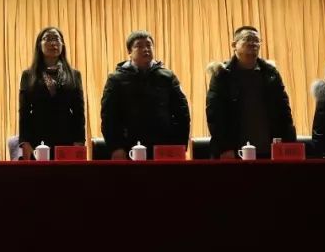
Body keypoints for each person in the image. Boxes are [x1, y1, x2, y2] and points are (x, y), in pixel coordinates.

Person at [206, 25, 296, 159]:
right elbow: (215, 115)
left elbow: (284, 111)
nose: (253, 43)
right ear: (234, 45)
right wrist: (224, 147)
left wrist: (288, 143)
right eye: (248, 39)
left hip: (269, 149)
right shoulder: (222, 75)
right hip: (235, 151)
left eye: (256, 40)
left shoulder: (270, 74)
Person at [100, 30, 190, 159]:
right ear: (129, 52)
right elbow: (108, 117)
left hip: (163, 147)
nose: (146, 49)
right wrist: (115, 147)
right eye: (139, 46)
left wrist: (180, 145)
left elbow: (182, 114)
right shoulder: (116, 79)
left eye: (149, 45)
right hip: (129, 147)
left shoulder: (167, 77)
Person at [18, 26, 85, 159]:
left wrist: (79, 141)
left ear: (62, 45)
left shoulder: (74, 75)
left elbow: (79, 112)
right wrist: (24, 141)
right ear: (39, 45)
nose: (53, 43)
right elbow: (24, 111)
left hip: (66, 138)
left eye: (56, 39)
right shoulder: (28, 75)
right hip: (37, 139)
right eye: (48, 39)